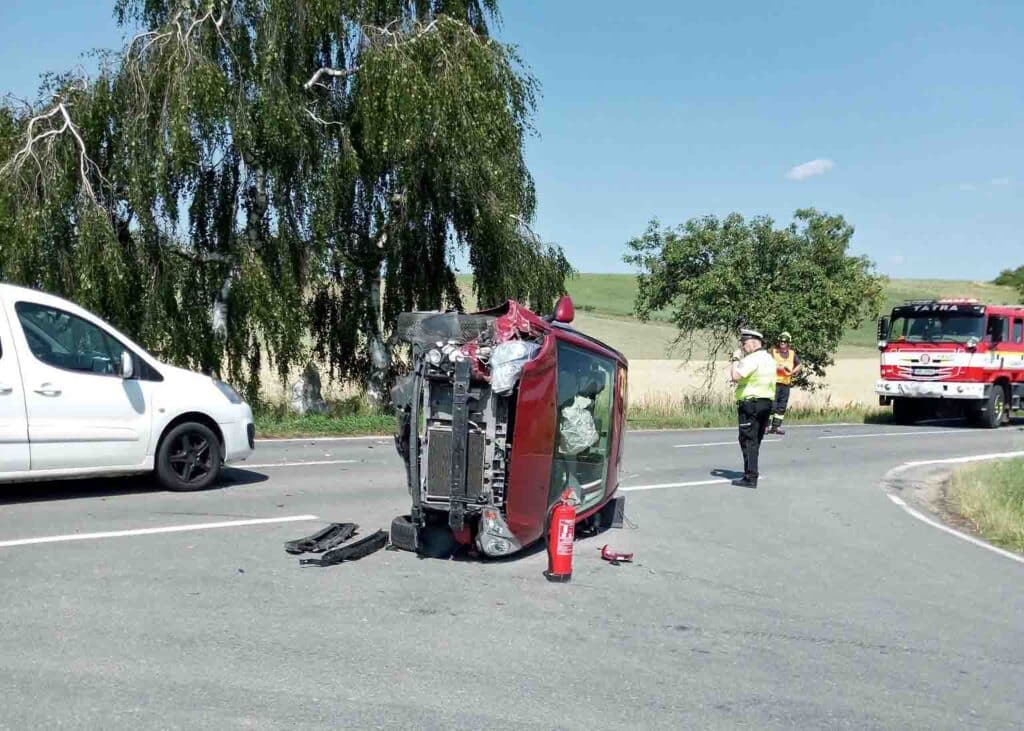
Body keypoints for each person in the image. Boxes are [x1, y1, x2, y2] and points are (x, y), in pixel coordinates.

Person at [727, 328, 776, 488]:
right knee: (755, 440)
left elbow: (735, 376)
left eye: (744, 343)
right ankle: (750, 472)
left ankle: (750, 477)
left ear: (754, 343)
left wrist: (735, 359)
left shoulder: (752, 358)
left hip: (750, 404)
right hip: (766, 403)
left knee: (748, 440)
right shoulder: (769, 358)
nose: (743, 347)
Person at [768, 331, 801, 435]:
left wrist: (794, 371)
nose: (782, 343)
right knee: (772, 406)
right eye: (781, 342)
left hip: (786, 383)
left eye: (785, 342)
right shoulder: (773, 352)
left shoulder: (792, 353)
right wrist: (778, 368)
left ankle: (776, 426)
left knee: (782, 406)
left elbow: (799, 365)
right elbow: (766, 364)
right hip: (774, 383)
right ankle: (766, 426)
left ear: (788, 343)